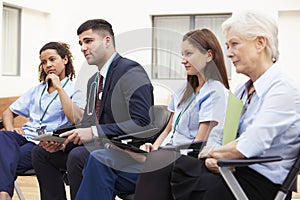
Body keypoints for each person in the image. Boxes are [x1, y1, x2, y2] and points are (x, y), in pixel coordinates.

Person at [134, 10, 300, 200]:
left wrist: (210, 154)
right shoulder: (242, 91)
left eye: (234, 44)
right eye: (228, 45)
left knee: (163, 162)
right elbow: (225, 138)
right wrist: (215, 155)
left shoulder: (284, 91)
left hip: (257, 184)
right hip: (230, 172)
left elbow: (248, 146)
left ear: (260, 43)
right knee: (161, 162)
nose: (228, 53)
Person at [74, 28, 230, 200]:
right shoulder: (183, 93)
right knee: (99, 159)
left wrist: (157, 156)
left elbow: (198, 146)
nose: (183, 60)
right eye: (182, 54)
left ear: (209, 55)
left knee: (102, 164)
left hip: (179, 165)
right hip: (161, 158)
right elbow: (168, 130)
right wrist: (153, 148)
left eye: (189, 54)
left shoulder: (215, 92)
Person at [31, 19, 154, 200]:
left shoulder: (130, 71)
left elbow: (142, 124)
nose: (82, 47)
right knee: (41, 153)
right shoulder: (94, 81)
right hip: (99, 145)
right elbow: (88, 123)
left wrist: (94, 131)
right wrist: (62, 139)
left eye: (88, 41)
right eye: (81, 43)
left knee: (78, 156)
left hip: (125, 151)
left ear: (107, 40)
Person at [0, 41, 85, 200]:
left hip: (44, 144)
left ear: (65, 60)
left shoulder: (74, 89)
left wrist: (59, 88)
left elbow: (74, 118)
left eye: (52, 59)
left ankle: (3, 193)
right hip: (25, 136)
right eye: (44, 62)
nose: (48, 65)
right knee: (3, 136)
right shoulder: (37, 90)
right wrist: (12, 129)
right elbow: (8, 112)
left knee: (6, 159)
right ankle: (4, 195)